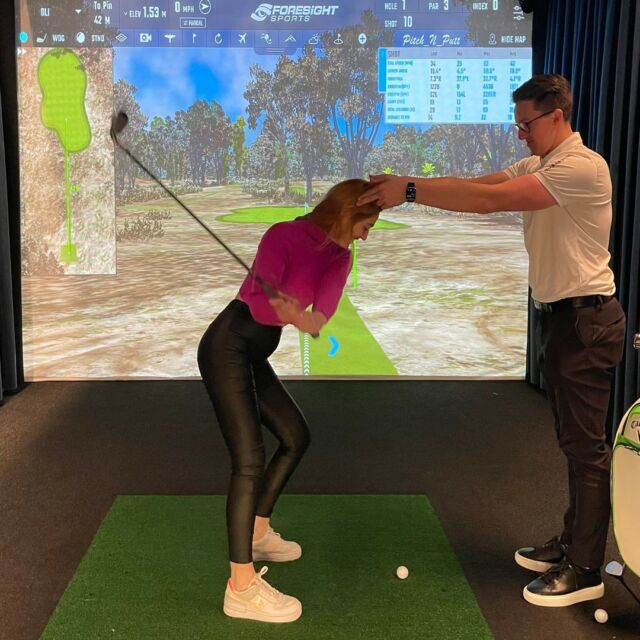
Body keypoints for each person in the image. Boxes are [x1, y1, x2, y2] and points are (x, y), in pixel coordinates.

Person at [357, 74, 626, 607]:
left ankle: (586, 568)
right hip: (563, 320)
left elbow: (490, 202)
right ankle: (573, 541)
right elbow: (474, 186)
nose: (520, 134)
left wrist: (409, 189)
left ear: (557, 116)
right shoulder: (539, 164)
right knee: (573, 442)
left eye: (527, 124)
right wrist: (411, 186)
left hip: (586, 321)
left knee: (586, 449)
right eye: (517, 124)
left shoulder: (581, 167)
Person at [197, 179, 380, 623]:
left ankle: (258, 534)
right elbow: (259, 309)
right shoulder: (283, 235)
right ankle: (240, 588)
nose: (366, 235)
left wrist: (306, 317)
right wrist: (286, 310)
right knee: (249, 461)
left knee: (296, 436)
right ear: (349, 213)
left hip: (252, 354)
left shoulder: (340, 257)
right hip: (227, 346)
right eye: (366, 225)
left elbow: (321, 312)